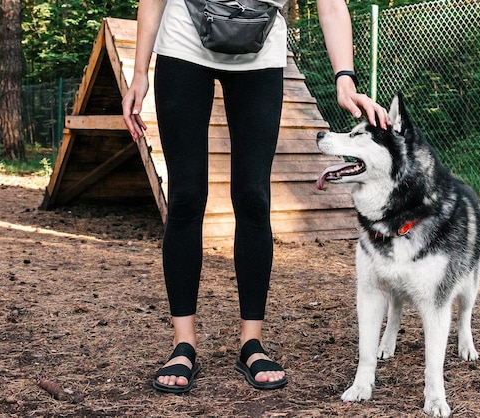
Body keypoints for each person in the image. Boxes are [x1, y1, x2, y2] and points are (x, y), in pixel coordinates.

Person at [122, 0, 389, 393]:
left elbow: (331, 5)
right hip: (183, 44)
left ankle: (252, 342)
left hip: (261, 54)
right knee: (185, 197)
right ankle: (184, 344)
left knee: (253, 197)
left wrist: (344, 78)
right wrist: (140, 73)